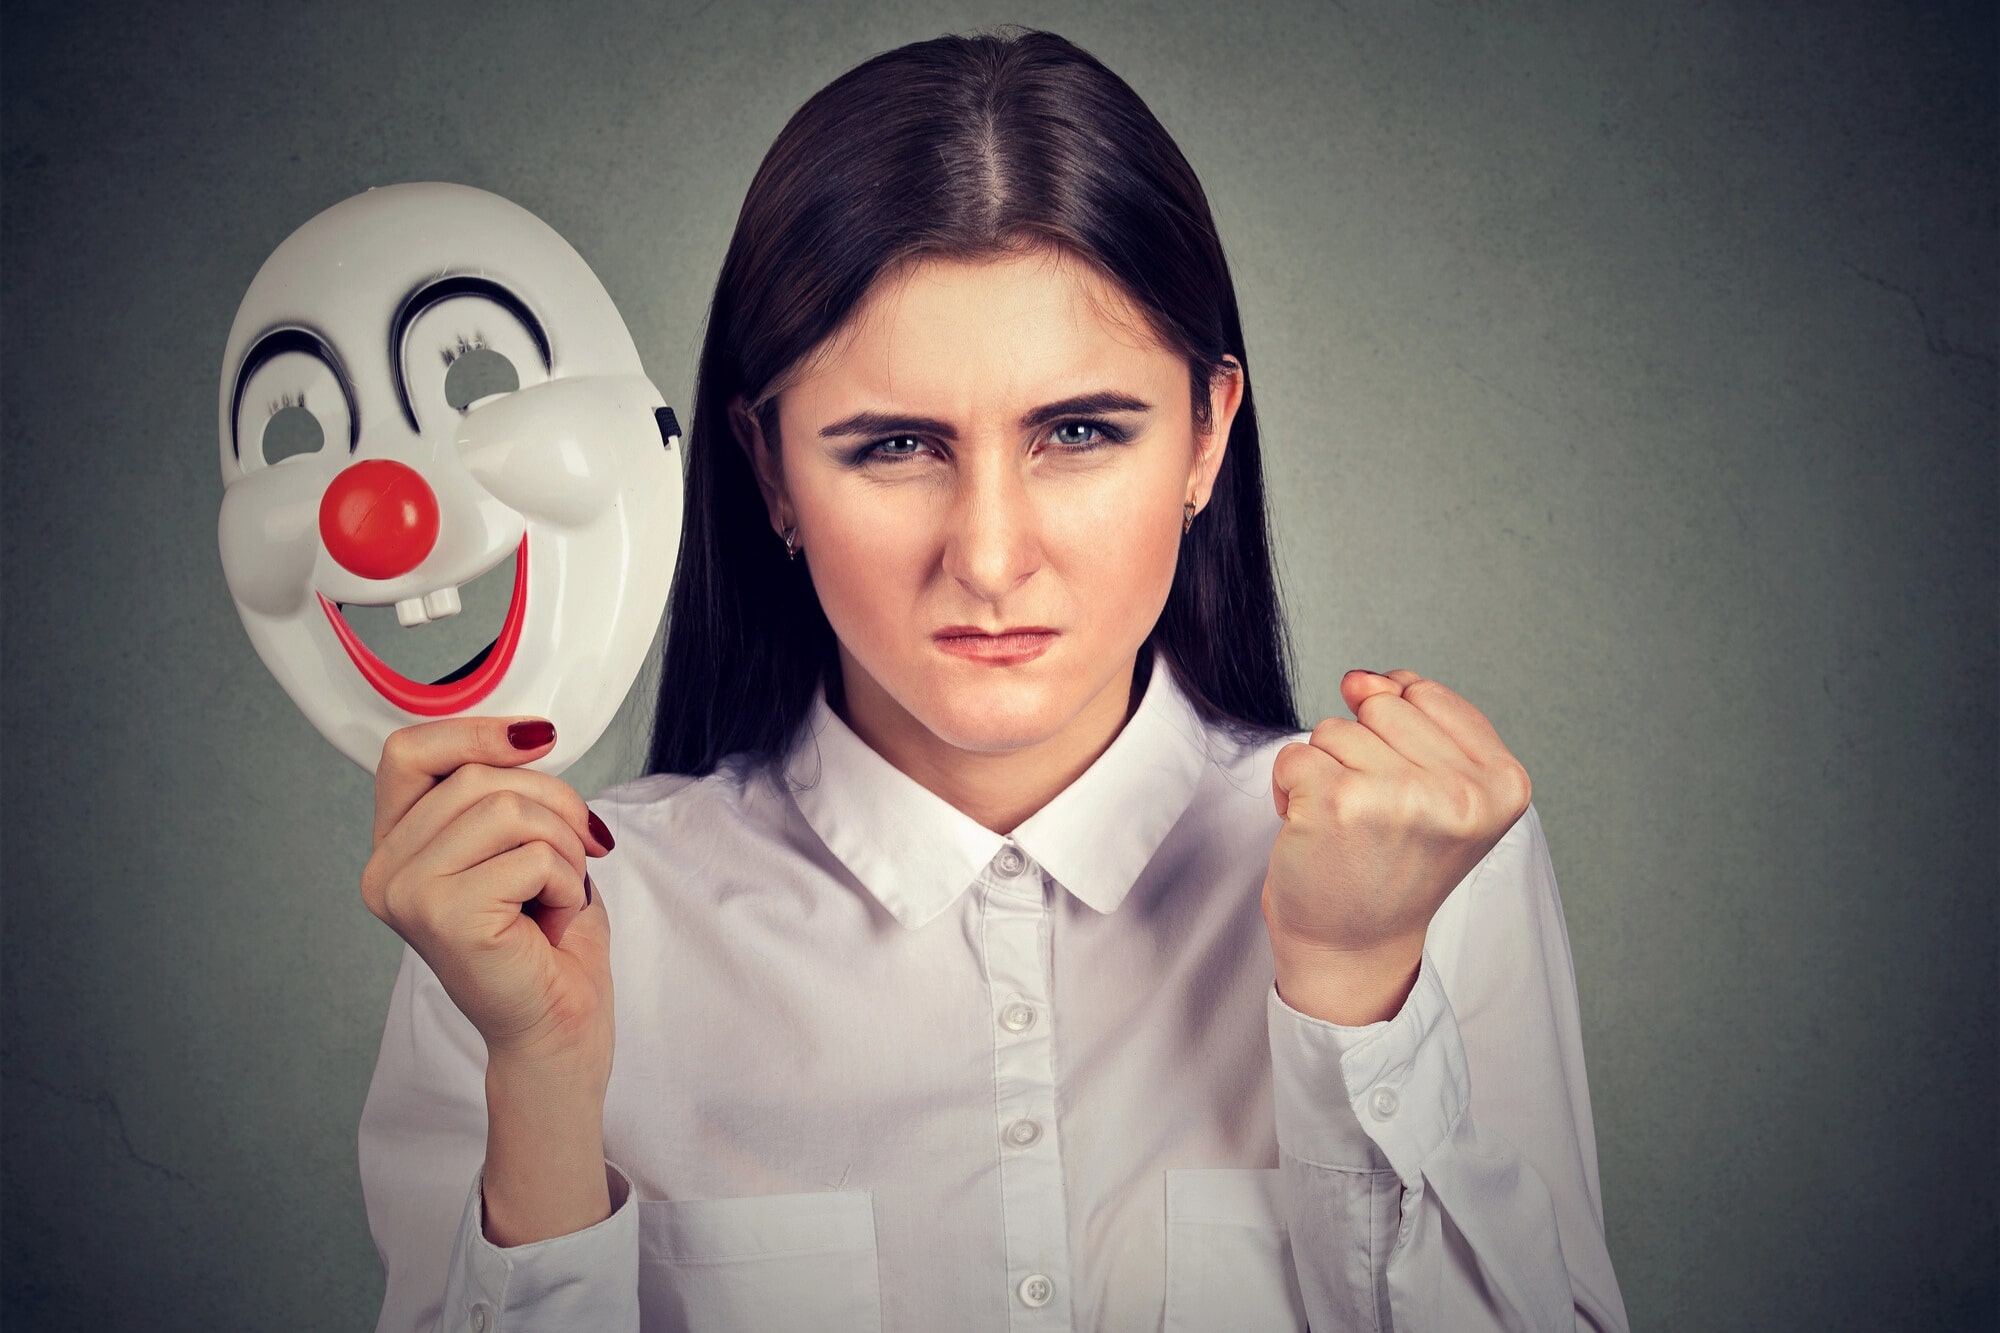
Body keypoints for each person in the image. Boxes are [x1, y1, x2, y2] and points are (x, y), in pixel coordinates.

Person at [356, 26, 1630, 1333]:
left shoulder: (1431, 871)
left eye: (1079, 432)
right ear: (769, 470)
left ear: (1207, 438)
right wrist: (548, 1083)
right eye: (896, 444)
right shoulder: (546, 921)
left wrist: (1359, 996)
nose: (990, 554)